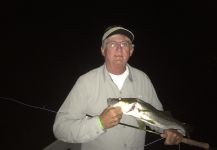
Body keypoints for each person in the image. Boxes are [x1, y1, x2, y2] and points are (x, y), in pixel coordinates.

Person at [53, 25, 184, 150]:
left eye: (124, 44)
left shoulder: (143, 79)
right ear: (103, 50)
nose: (119, 48)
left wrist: (172, 130)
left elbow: (157, 115)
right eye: (112, 44)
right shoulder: (85, 82)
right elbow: (60, 128)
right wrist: (99, 123)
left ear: (131, 50)